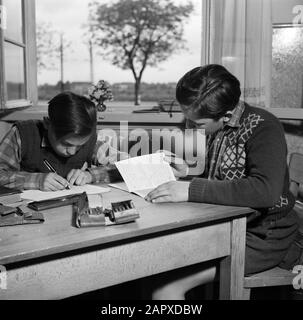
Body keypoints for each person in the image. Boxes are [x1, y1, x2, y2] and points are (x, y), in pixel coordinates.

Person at [145, 64, 303, 299]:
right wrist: (185, 175)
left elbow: (265, 191)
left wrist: (191, 189)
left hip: (262, 236)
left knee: (166, 288)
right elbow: (222, 182)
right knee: (155, 262)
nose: (191, 128)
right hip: (224, 227)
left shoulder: (264, 127)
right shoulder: (218, 127)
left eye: (198, 124)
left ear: (226, 115)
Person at [0, 91, 127, 191]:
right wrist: (36, 180)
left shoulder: (88, 139)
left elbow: (130, 165)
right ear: (47, 124)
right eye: (66, 144)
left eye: (79, 146)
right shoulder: (22, 134)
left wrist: (90, 175)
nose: (72, 152)